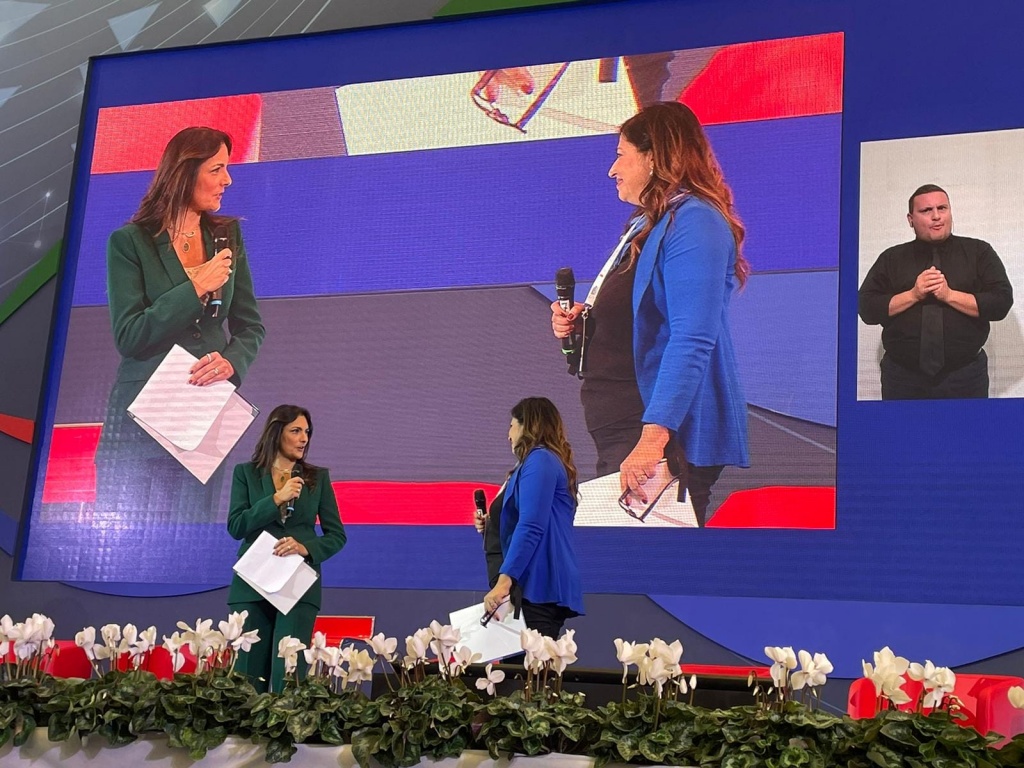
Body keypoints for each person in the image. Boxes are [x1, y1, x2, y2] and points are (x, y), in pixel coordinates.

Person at [550, 101, 749, 526]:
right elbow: (641, 315)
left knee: (641, 562)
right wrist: (589, 321)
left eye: (621, 154)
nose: (612, 169)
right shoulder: (647, 223)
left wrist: (652, 439)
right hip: (625, 429)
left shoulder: (695, 222)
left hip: (657, 438)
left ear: (654, 157)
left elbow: (692, 337)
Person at [96, 126, 265, 521]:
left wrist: (231, 362)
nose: (228, 180)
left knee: (189, 535)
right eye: (216, 169)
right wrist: (196, 287)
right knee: (135, 536)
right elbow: (130, 335)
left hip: (202, 419)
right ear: (185, 172)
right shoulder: (129, 242)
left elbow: (250, 325)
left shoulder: (227, 236)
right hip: (140, 424)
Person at [227, 405, 347, 693]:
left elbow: (337, 536)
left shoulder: (317, 478)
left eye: (307, 432)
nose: (304, 438)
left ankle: (282, 722)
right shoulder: (246, 473)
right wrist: (276, 499)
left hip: (297, 584)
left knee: (288, 672)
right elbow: (236, 526)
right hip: (253, 582)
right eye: (296, 431)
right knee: (247, 676)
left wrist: (305, 547)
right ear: (276, 432)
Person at [858, 184, 1013, 399]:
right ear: (910, 219)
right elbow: (866, 308)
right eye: (926, 210)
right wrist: (913, 295)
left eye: (942, 208)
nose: (936, 216)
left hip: (966, 376)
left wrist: (949, 295)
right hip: (902, 379)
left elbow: (1001, 302)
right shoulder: (891, 258)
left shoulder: (979, 252)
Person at [482, 397, 584, 639]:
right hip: (529, 586)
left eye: (511, 426)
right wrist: (492, 524)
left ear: (526, 425)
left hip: (538, 585)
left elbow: (531, 525)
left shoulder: (540, 460)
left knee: (531, 664)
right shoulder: (535, 462)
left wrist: (504, 582)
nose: (508, 436)